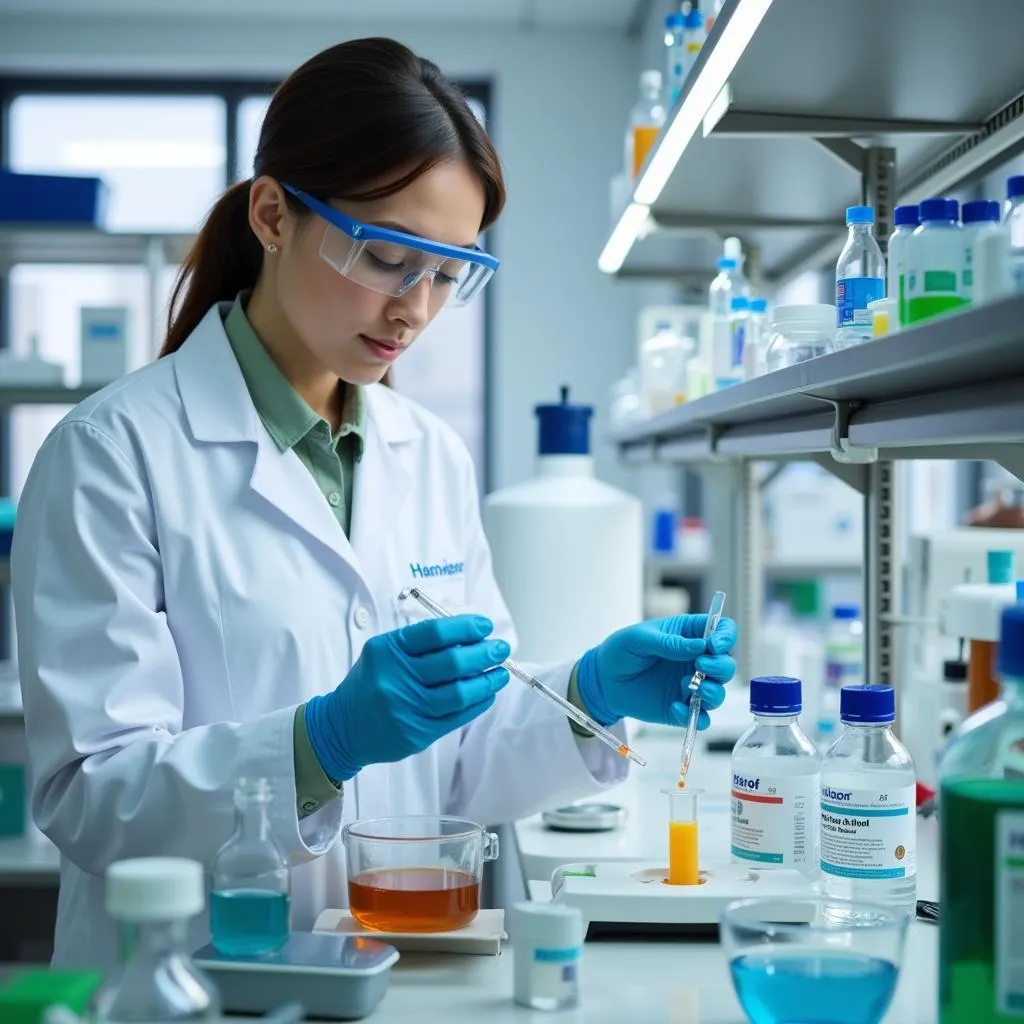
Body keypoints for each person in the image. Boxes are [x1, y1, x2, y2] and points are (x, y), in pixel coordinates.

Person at [11, 37, 736, 968]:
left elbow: (464, 761)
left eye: (448, 271)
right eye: (387, 255)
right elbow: (87, 794)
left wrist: (584, 694)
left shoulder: (426, 454)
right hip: (199, 975)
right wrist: (318, 745)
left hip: (402, 964)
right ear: (273, 215)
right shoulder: (112, 454)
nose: (416, 308)